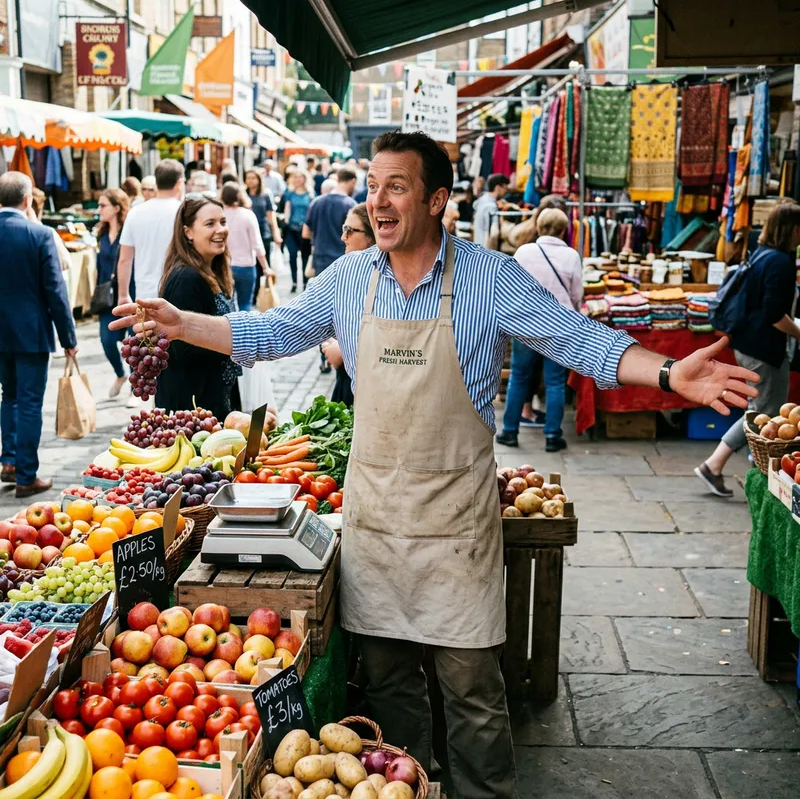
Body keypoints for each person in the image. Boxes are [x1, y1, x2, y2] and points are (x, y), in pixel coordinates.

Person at [111, 131, 758, 798]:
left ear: (436, 199)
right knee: (390, 687)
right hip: (377, 527)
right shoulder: (349, 280)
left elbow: (580, 341)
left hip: (456, 532)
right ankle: (410, 787)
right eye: (373, 186)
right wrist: (182, 323)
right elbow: (269, 333)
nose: (378, 202)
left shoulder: (489, 277)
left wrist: (670, 373)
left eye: (397, 187)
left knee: (473, 693)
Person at [696, 201, 800, 497]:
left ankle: (747, 468)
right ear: (792, 229)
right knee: (764, 414)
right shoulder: (779, 262)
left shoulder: (763, 254)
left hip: (749, 343)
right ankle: (715, 466)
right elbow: (774, 314)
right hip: (763, 347)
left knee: (761, 412)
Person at [0, 172, 77, 497]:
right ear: (27, 200)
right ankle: (26, 475)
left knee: (9, 396)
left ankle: (9, 461)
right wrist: (69, 338)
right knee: (30, 402)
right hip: (31, 332)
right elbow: (55, 291)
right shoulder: (40, 234)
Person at [496, 208, 583, 451]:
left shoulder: (524, 251)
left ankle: (510, 431)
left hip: (526, 323)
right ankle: (553, 436)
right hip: (559, 325)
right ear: (564, 230)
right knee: (555, 381)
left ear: (539, 227)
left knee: (519, 376)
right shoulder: (571, 256)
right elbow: (577, 294)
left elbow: (509, 287)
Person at [154, 196, 240, 418]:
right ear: (188, 232)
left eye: (223, 222)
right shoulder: (186, 278)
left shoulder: (213, 271)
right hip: (193, 406)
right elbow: (185, 350)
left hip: (213, 397)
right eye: (210, 224)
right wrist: (236, 343)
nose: (221, 230)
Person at [321, 203, 375, 406]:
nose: (343, 237)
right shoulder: (347, 274)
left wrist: (343, 350)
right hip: (346, 382)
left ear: (372, 236)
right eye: (344, 229)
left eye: (350, 230)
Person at [117, 158, 185, 306]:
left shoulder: (135, 212)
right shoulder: (184, 211)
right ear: (179, 183)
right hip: (179, 290)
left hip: (145, 293)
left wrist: (123, 294)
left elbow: (125, 259)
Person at [95, 188, 131, 398]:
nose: (99, 209)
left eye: (103, 205)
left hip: (128, 292)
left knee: (133, 342)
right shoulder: (101, 234)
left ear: (117, 208)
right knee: (107, 340)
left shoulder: (128, 232)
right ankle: (120, 374)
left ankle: (135, 389)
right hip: (107, 296)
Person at [221, 183, 269, 313]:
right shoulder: (248, 215)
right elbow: (257, 245)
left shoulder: (220, 216)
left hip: (224, 266)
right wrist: (265, 267)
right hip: (246, 266)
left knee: (226, 305)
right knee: (245, 304)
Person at [302, 167, 356, 276]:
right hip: (344, 261)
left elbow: (306, 233)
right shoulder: (351, 205)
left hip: (320, 259)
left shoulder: (316, 202)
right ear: (352, 181)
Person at [244, 169, 282, 302]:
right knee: (251, 264)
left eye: (253, 178)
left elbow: (271, 216)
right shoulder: (243, 195)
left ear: (259, 180)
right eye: (248, 178)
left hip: (263, 233)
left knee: (263, 265)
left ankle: (263, 293)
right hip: (246, 235)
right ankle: (253, 294)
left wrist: (276, 233)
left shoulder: (265, 194)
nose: (250, 181)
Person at [283, 170, 314, 292]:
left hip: (305, 229)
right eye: (296, 177)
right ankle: (294, 282)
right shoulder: (289, 193)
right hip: (292, 229)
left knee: (305, 257)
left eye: (301, 177)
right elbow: (287, 208)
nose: (298, 180)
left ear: (305, 179)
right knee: (292, 255)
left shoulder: (310, 194)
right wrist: (286, 222)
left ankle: (305, 282)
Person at [472, 173, 510, 248]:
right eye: (505, 188)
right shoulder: (491, 206)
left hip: (477, 245)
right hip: (485, 249)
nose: (506, 191)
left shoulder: (482, 200)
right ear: (498, 187)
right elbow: (494, 233)